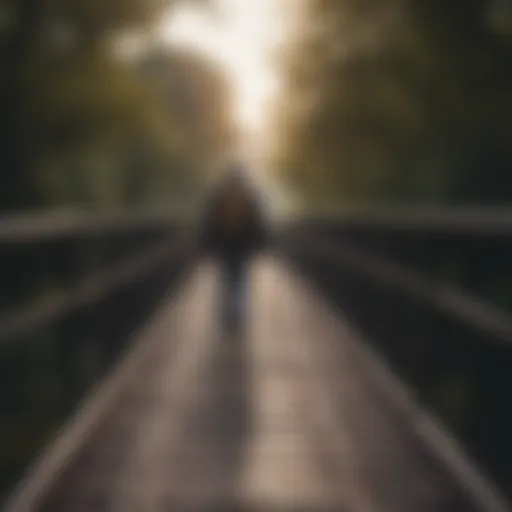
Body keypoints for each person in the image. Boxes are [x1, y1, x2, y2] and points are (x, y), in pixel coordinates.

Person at [199, 164, 268, 332]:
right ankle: (238, 313)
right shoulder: (248, 196)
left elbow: (210, 220)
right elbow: (257, 220)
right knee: (241, 278)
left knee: (226, 278)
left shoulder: (220, 196)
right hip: (243, 244)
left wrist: (207, 242)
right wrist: (260, 242)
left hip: (225, 244)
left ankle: (227, 313)